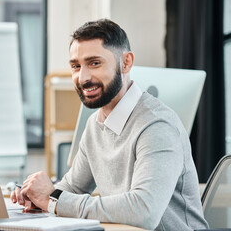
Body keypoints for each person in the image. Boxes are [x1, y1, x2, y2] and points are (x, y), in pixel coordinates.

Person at [11, 19, 209, 231]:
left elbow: (144, 211)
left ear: (126, 63)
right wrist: (35, 196)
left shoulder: (157, 125)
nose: (83, 77)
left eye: (94, 63)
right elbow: (73, 187)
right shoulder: (95, 125)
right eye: (76, 66)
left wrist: (53, 199)